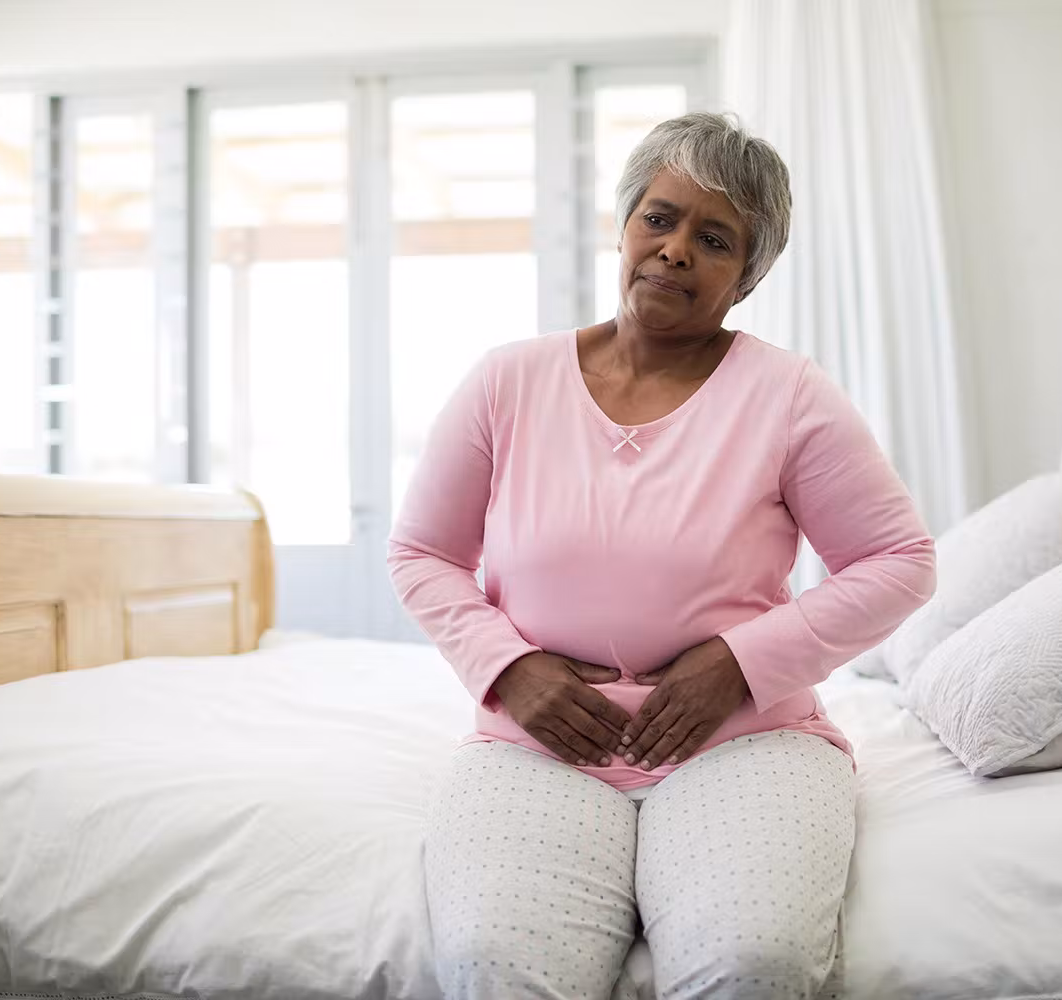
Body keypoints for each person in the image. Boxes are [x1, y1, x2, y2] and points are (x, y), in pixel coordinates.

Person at [387, 111, 936, 1000]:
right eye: (660, 218)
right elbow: (421, 552)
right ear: (625, 226)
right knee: (495, 964)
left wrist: (739, 664)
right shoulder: (506, 381)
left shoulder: (791, 395)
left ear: (746, 277)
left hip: (746, 742)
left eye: (713, 240)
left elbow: (899, 560)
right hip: (538, 741)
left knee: (752, 962)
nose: (676, 249)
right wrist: (508, 667)